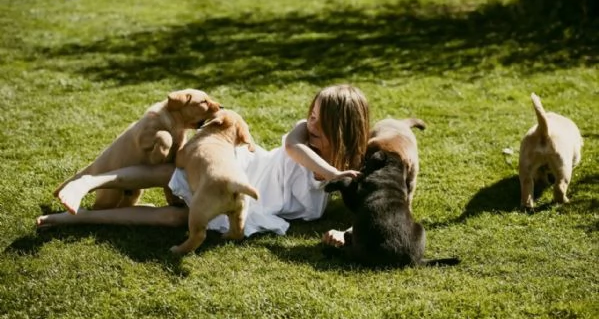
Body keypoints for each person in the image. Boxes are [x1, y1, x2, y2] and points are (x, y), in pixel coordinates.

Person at [37, 84, 370, 244]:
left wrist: (346, 233)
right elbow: (295, 149)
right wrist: (334, 175)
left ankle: (75, 220)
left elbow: (375, 207)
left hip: (250, 205)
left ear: (342, 130)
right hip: (241, 168)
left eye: (320, 121)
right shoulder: (302, 137)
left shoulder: (352, 165)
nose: (311, 124)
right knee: (168, 173)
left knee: (173, 218)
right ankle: (89, 183)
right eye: (311, 115)